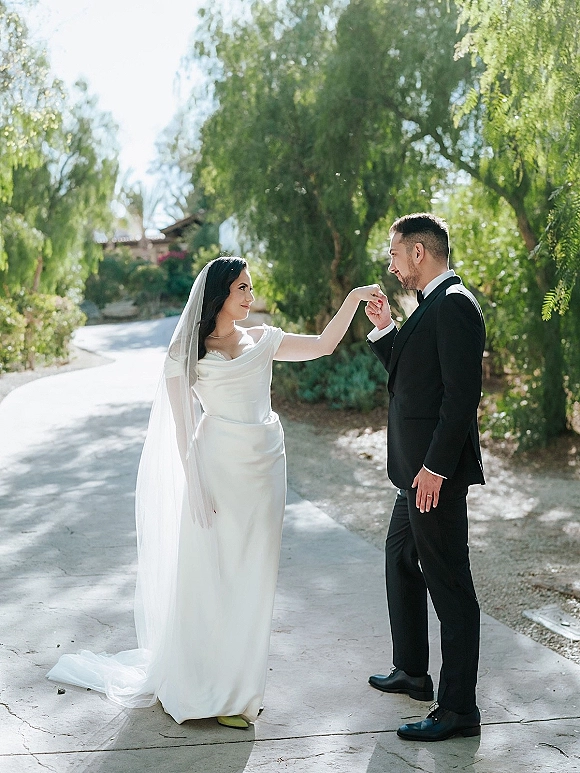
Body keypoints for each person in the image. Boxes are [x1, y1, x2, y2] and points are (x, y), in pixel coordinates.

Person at [48, 256, 382, 729]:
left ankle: (240, 689)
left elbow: (326, 345)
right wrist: (196, 484)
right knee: (212, 577)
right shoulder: (189, 352)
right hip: (216, 469)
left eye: (250, 288)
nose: (250, 297)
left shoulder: (265, 340)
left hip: (265, 467)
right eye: (242, 288)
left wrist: (353, 300)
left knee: (254, 577)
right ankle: (205, 686)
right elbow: (184, 428)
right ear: (220, 294)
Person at [364, 213, 485, 742]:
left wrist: (435, 467)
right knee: (399, 559)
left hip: (432, 475)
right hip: (413, 475)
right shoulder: (430, 305)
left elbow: (461, 397)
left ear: (419, 252)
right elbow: (411, 382)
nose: (392, 266)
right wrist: (386, 329)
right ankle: (413, 670)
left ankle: (458, 710)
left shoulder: (455, 305)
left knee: (450, 586)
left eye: (394, 254)